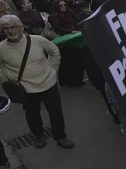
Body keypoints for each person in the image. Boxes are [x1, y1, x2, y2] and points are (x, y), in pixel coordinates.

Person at [0, 15, 74, 149]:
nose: (10, 31)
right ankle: (38, 135)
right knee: (32, 113)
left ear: (21, 27)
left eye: (13, 27)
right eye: (6, 28)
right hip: (25, 88)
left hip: (48, 83)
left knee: (56, 112)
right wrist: (7, 81)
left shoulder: (37, 40)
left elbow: (54, 51)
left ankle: (61, 137)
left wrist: (53, 70)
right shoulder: (1, 48)